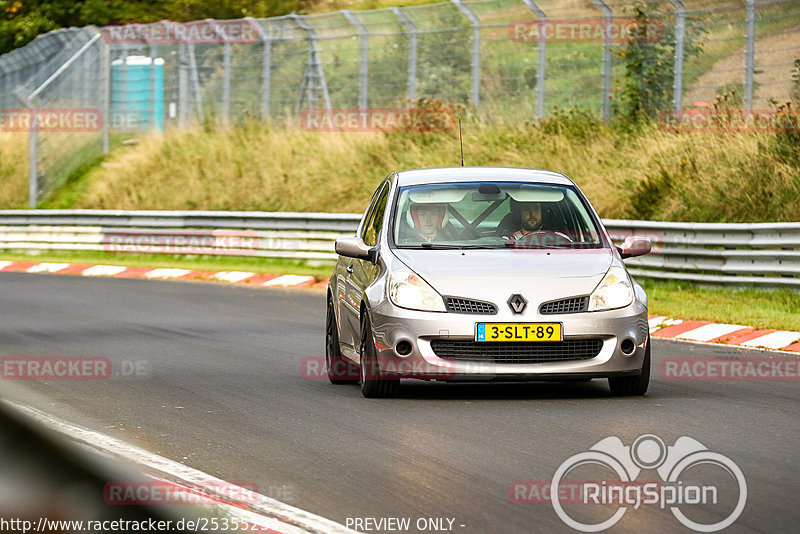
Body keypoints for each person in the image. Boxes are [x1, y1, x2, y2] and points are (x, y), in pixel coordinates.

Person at [505, 200, 572, 246]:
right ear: (519, 214)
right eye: (526, 209)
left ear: (542, 213)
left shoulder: (558, 238)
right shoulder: (510, 241)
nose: (532, 214)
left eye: (536, 209)